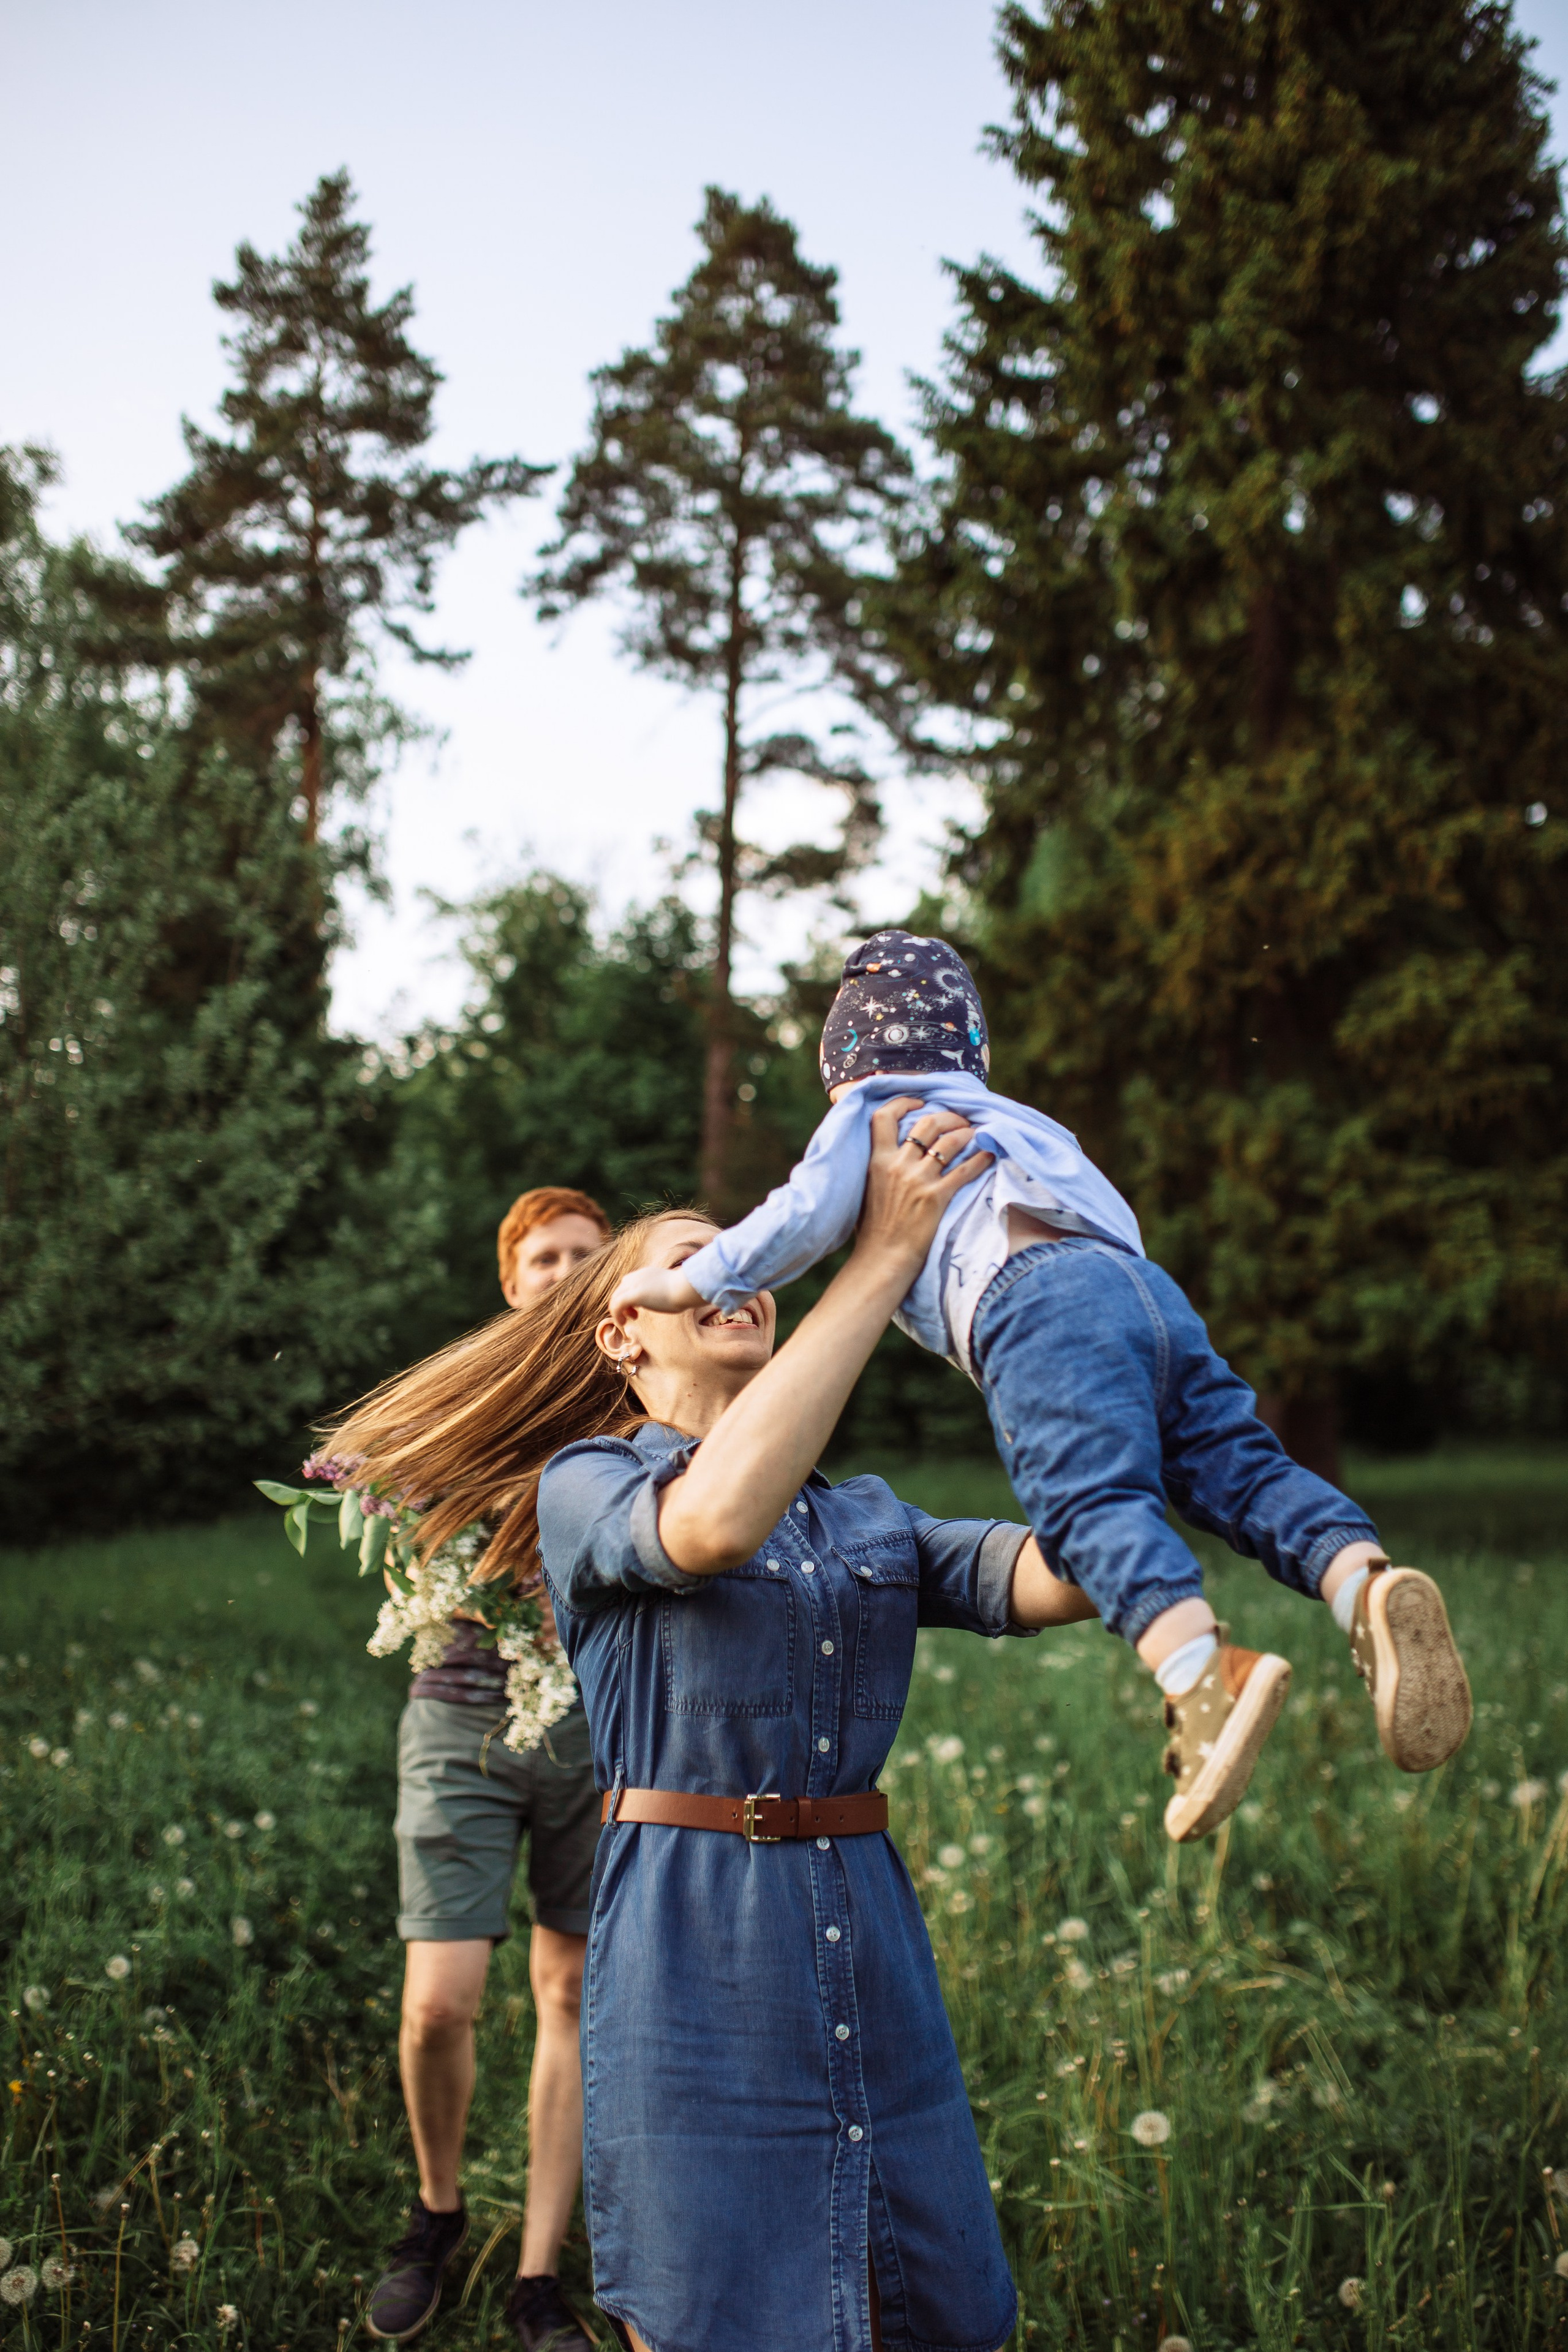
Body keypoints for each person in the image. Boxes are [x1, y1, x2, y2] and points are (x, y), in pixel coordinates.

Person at [324, 1099, 1102, 2352]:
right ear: (621, 1335)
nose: (740, 1273)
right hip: (692, 1948)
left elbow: (1051, 1577)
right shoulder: (586, 1485)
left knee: (918, 2301)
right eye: (703, 1260)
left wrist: (1115, 1419)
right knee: (709, 2307)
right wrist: (881, 1259)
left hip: (865, 1929)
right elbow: (714, 1526)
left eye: (750, 1255)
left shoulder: (868, 1516)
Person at [612, 929, 1473, 1844]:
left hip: (1034, 1305)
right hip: (1146, 1293)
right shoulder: (1021, 1120)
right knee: (1239, 1465)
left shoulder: (870, 1113)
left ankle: (1200, 1675)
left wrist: (689, 1283)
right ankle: (1361, 1583)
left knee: (1086, 1496)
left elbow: (797, 1219)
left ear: (846, 1063)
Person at [366, 1186, 611, 2350]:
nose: (564, 1271)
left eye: (584, 1255)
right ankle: (437, 2210)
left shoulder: (637, 1399)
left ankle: (537, 2274)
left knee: (570, 1993)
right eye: (544, 1257)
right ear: (511, 1282)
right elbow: (381, 1495)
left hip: (595, 1731)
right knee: (437, 2005)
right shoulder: (465, 1395)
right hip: (459, 1721)